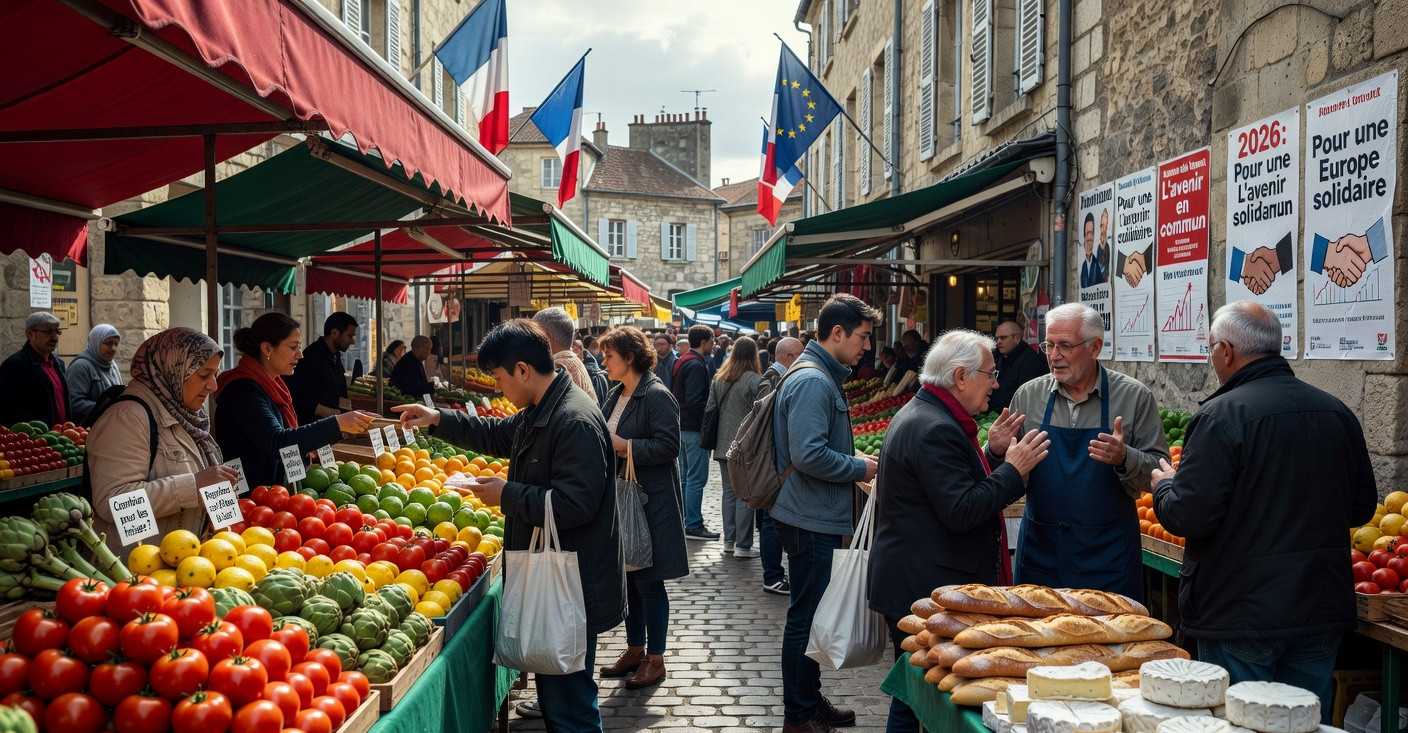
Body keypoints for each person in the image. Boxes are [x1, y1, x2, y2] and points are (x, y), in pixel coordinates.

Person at [393, 320, 623, 732]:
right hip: (562, 579)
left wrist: (509, 495)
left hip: (571, 585)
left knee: (571, 708)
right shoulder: (542, 408)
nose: (498, 388)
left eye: (498, 378)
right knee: (561, 703)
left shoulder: (572, 419)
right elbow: (496, 434)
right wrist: (436, 418)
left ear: (522, 369)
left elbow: (578, 504)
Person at [1151, 302, 1376, 718]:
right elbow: (1361, 506)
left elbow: (1188, 516)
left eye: (1210, 349)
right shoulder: (1337, 411)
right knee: (1302, 723)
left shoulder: (1220, 416)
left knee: (1241, 722)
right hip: (1318, 609)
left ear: (1225, 351)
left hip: (1241, 611)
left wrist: (1165, 488)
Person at [869, 330, 1050, 733]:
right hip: (927, 583)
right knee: (919, 698)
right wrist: (1013, 471)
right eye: (990, 373)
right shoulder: (936, 427)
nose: (997, 383)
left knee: (914, 693)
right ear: (960, 377)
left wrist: (992, 453)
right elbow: (962, 509)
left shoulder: (929, 414)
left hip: (916, 576)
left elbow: (947, 485)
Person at [990, 303, 1168, 601]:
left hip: (1109, 555)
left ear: (1095, 346)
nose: (1053, 356)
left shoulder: (1134, 398)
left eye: (1065, 346)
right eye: (1048, 345)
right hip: (1041, 552)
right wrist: (995, 451)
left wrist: (1125, 458)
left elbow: (1158, 473)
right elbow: (1004, 476)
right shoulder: (1028, 396)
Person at [771, 293, 881, 733]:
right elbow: (809, 452)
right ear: (837, 333)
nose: (868, 347)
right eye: (863, 337)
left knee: (811, 615)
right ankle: (798, 715)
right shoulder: (814, 380)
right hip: (807, 514)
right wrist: (861, 465)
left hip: (810, 510)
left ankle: (809, 702)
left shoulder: (816, 373)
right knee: (804, 617)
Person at [88, 328, 239, 556]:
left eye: (215, 375)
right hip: (134, 569)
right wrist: (195, 485)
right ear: (173, 369)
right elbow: (113, 502)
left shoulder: (185, 414)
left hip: (177, 563)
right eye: (203, 375)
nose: (213, 386)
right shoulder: (127, 417)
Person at [596, 326, 688, 689]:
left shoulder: (656, 395)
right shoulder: (615, 392)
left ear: (629, 358)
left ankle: (656, 658)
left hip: (651, 502)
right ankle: (635, 650)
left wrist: (625, 445)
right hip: (622, 497)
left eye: (609, 357)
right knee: (629, 581)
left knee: (650, 583)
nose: (604, 363)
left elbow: (669, 446)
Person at [214, 313, 374, 487]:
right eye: (293, 347)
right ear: (267, 349)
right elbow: (277, 441)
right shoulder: (242, 389)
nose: (300, 355)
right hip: (249, 494)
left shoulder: (274, 384)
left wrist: (309, 442)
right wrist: (337, 423)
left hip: (272, 491)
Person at [707, 336, 765, 558]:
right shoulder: (756, 381)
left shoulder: (719, 379)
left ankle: (729, 541)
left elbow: (710, 409)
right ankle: (743, 545)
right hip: (746, 446)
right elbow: (762, 415)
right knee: (745, 495)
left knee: (729, 494)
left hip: (722, 445)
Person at [757, 336, 803, 595]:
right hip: (773, 464)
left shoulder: (773, 378)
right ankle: (772, 575)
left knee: (770, 519)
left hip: (772, 463)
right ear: (790, 357)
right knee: (771, 521)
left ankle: (773, 573)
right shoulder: (774, 381)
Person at [671, 325, 717, 541]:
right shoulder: (696, 365)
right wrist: (706, 424)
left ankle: (684, 520)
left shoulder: (683, 360)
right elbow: (695, 400)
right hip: (692, 429)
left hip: (682, 427)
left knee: (686, 479)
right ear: (703, 341)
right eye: (711, 340)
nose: (713, 344)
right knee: (695, 479)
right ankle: (693, 524)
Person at [284, 312, 357, 424]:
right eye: (349, 336)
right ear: (334, 333)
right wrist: (329, 412)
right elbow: (299, 395)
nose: (352, 341)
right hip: (313, 427)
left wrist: (347, 411)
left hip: (334, 425)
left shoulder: (336, 356)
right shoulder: (311, 356)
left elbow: (340, 391)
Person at [0, 312, 70, 426]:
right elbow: (10, 409)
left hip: (60, 438)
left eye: (57, 331)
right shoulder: (15, 365)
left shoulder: (58, 364)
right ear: (29, 334)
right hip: (35, 439)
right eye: (48, 332)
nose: (54, 337)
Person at [533, 307, 597, 398]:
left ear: (544, 336)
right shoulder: (574, 362)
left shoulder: (557, 370)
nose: (531, 341)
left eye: (533, 335)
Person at [68, 324, 124, 425]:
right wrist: (107, 406)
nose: (113, 349)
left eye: (116, 344)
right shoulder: (81, 366)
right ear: (95, 342)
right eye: (108, 343)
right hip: (86, 430)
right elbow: (74, 404)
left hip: (109, 425)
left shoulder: (111, 365)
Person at [989, 320, 1048, 413]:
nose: (999, 342)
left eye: (1003, 337)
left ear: (1017, 338)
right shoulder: (997, 357)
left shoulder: (1030, 361)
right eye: (997, 338)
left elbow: (1027, 397)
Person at [1080, 212, 1108, 287]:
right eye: (1087, 233)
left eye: (1091, 233)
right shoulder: (1083, 266)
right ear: (1084, 239)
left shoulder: (1097, 265)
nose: (1089, 238)